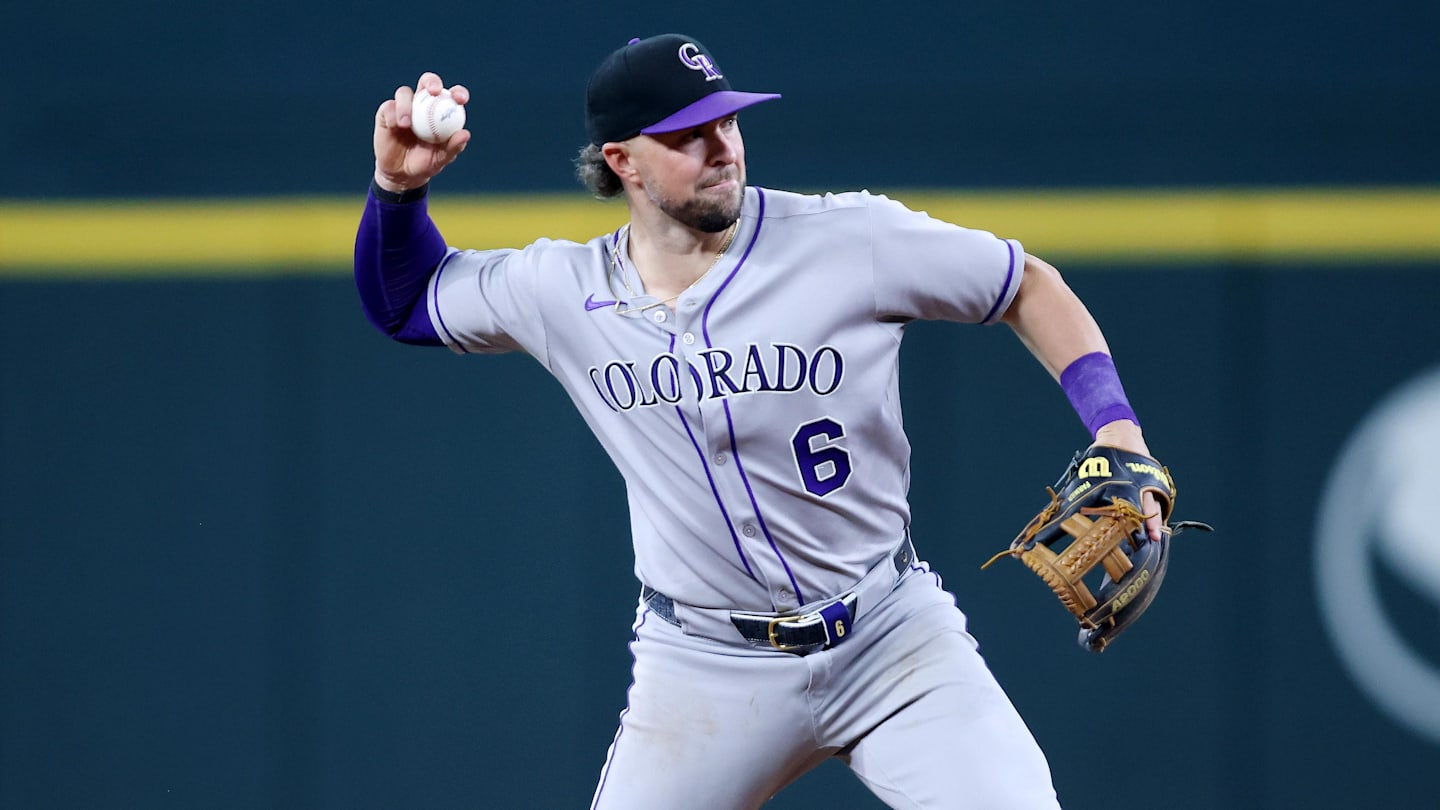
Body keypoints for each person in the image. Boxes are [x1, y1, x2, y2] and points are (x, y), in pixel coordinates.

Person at [356, 33, 1164, 810]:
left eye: (728, 120)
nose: (722, 147)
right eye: (687, 135)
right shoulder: (561, 291)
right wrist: (400, 188)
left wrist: (1115, 425)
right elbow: (404, 300)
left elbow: (1025, 284)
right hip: (703, 667)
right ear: (622, 162)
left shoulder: (850, 237)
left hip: (889, 637)